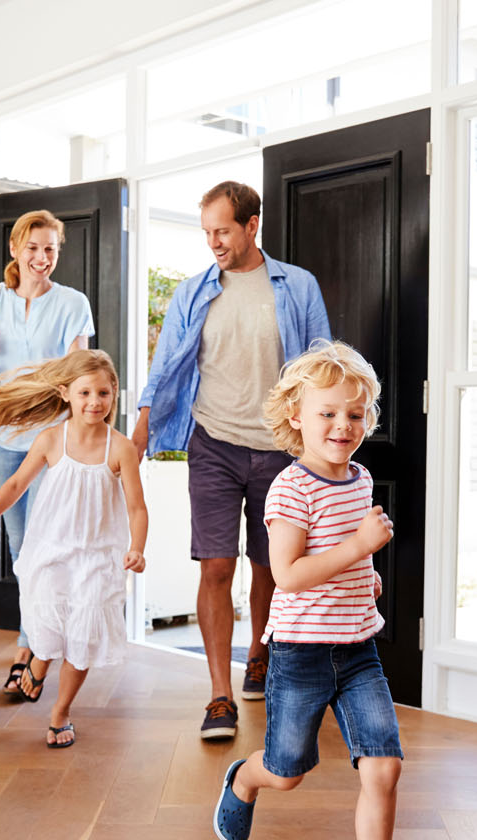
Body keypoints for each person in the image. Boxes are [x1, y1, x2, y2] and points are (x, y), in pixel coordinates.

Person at [211, 341, 429, 840]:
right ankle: (245, 778)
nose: (343, 425)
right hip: (301, 656)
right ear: (296, 419)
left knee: (384, 768)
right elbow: (288, 574)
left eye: (355, 414)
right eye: (328, 413)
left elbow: (340, 561)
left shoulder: (359, 478)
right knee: (288, 771)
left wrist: (367, 577)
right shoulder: (290, 490)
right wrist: (359, 548)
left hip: (358, 653)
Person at [132, 181, 330, 740]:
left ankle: (260, 655)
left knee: (270, 567)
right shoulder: (193, 292)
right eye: (207, 232)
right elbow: (166, 364)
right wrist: (143, 427)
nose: (214, 242)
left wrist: (324, 439)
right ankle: (219, 695)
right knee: (216, 566)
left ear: (251, 225)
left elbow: (320, 364)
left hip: (279, 450)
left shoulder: (296, 286)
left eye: (222, 230)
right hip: (213, 443)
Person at [0, 349, 148, 747]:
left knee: (82, 637)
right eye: (84, 393)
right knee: (47, 617)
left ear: (114, 392)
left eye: (103, 393)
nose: (94, 402)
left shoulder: (120, 449)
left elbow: (136, 506)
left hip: (99, 556)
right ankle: (38, 661)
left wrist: (137, 547)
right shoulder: (51, 439)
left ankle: (60, 712)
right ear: (66, 394)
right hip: (52, 549)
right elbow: (14, 485)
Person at [0, 209, 94, 698]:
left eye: (51, 250)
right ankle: (36, 639)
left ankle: (29, 647)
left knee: (46, 546)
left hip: (50, 440)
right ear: (16, 248)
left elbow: (79, 371)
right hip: (4, 437)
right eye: (34, 248)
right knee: (21, 550)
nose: (42, 258)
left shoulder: (72, 303)